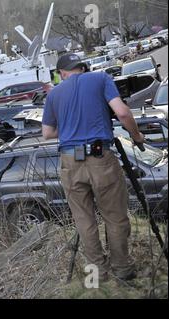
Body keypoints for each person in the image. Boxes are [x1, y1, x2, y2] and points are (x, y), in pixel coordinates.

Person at [42, 53, 145, 282]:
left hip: (69, 162)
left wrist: (69, 129)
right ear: (82, 67)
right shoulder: (101, 78)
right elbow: (122, 112)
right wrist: (137, 136)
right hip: (100, 158)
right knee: (115, 217)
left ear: (63, 73)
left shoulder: (54, 94)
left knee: (84, 220)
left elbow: (47, 133)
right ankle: (122, 269)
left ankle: (97, 273)